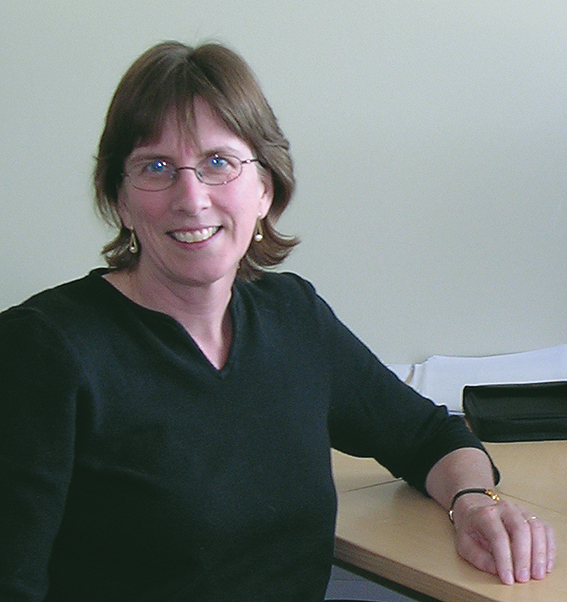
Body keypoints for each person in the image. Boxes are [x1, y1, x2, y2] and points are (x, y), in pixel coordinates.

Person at [0, 41, 556, 602]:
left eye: (219, 163)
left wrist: (474, 504)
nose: (191, 198)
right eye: (156, 167)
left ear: (265, 188)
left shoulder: (292, 316)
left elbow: (426, 436)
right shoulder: (43, 349)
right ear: (121, 200)